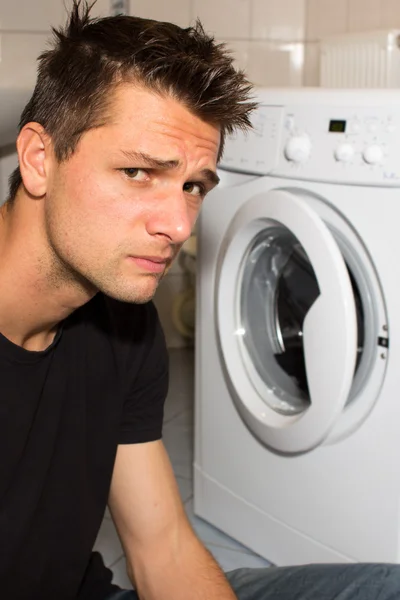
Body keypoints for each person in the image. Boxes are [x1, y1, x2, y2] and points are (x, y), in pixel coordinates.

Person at [0, 1, 399, 598]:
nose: (180, 226)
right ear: (39, 159)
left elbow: (162, 549)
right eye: (138, 173)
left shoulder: (124, 324)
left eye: (192, 187)